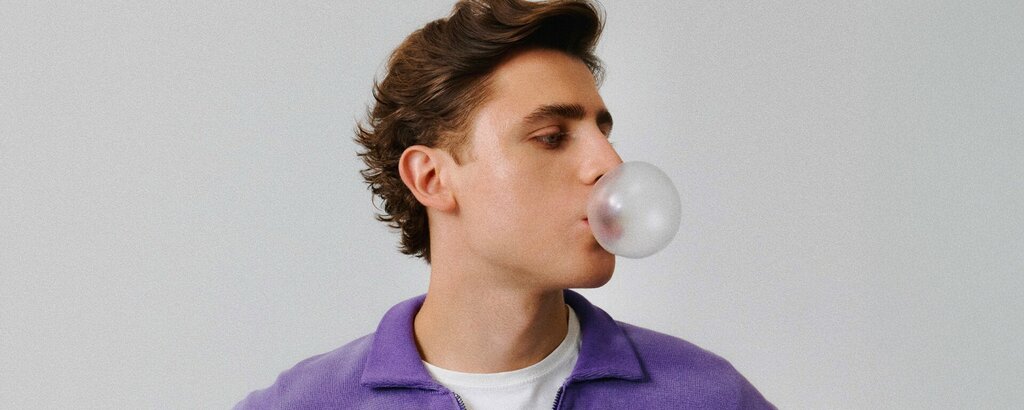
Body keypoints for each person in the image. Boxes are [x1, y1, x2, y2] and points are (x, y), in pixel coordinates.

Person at [235, 0, 775, 408]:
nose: (609, 163)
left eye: (603, 132)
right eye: (551, 137)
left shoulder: (708, 397)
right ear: (431, 178)